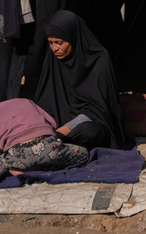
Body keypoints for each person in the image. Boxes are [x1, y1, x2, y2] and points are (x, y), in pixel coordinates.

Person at [32, 10, 126, 150]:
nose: (54, 48)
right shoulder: (53, 60)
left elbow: (99, 110)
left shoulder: (99, 60)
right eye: (51, 43)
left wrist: (64, 130)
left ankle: (58, 149)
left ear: (74, 38)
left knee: (92, 132)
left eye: (59, 43)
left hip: (89, 123)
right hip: (58, 127)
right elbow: (45, 103)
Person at [0, 98, 89, 183]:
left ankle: (3, 171)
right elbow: (52, 124)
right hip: (49, 148)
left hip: (16, 156)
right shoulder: (24, 100)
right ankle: (38, 167)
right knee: (84, 154)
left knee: (1, 161)